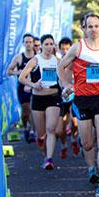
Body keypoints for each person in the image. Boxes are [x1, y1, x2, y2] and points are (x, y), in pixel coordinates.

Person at [59, 13, 99, 197]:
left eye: (96, 26)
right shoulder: (78, 48)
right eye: (89, 26)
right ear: (83, 29)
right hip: (82, 98)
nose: (93, 29)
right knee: (87, 142)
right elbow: (61, 67)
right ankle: (91, 168)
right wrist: (67, 85)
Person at [19, 34, 62, 170]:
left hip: (53, 97)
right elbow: (22, 78)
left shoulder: (58, 61)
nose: (49, 47)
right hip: (38, 99)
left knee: (51, 129)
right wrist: (33, 85)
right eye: (46, 44)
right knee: (41, 133)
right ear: (41, 46)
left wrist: (66, 87)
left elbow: (62, 78)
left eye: (51, 44)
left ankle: (49, 159)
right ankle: (43, 148)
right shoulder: (35, 60)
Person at [7, 33, 36, 142]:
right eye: (26, 42)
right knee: (25, 112)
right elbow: (8, 71)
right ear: (23, 44)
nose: (28, 44)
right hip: (22, 88)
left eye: (30, 42)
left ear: (33, 43)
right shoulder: (19, 57)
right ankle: (26, 127)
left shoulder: (37, 57)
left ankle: (33, 131)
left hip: (34, 87)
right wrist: (18, 72)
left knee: (32, 109)